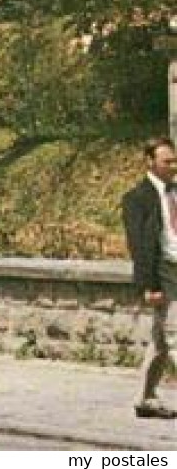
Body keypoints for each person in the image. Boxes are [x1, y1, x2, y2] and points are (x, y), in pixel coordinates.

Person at [123, 137, 177, 419]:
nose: (173, 166)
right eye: (166, 161)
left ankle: (145, 398)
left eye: (174, 160)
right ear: (150, 162)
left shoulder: (176, 192)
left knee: (160, 338)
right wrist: (149, 286)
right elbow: (139, 246)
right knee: (175, 333)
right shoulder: (137, 198)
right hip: (163, 272)